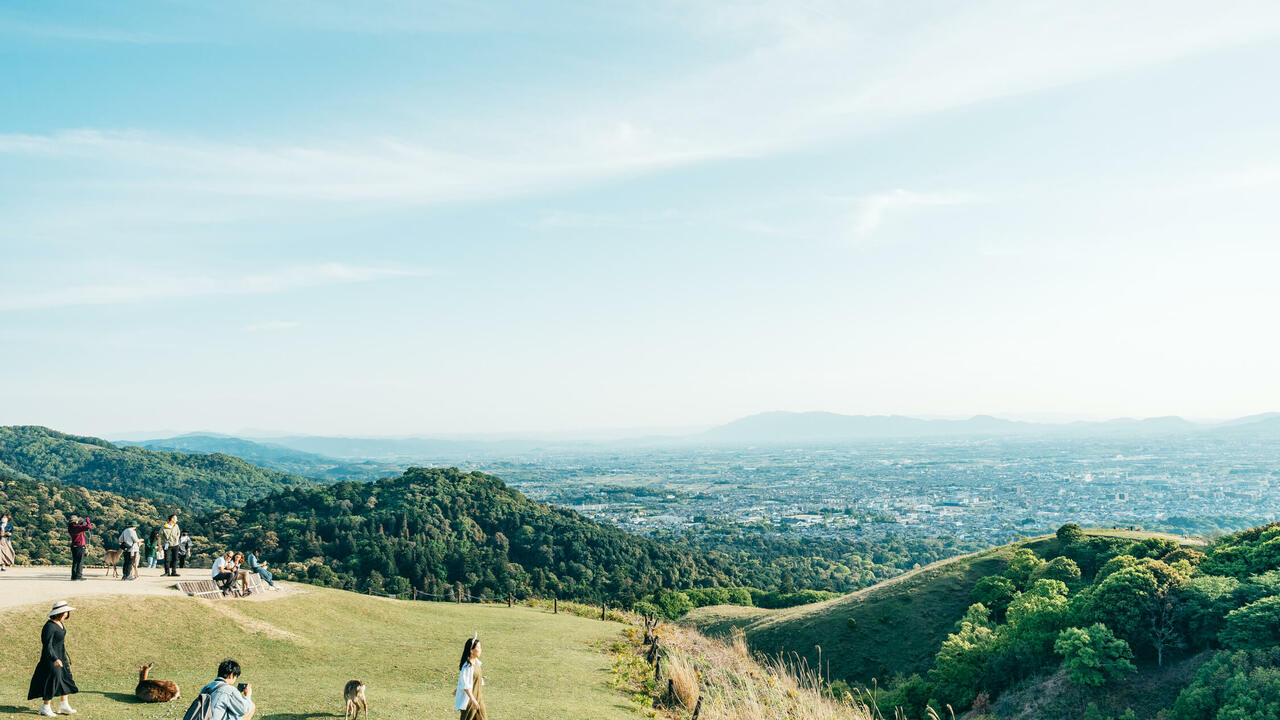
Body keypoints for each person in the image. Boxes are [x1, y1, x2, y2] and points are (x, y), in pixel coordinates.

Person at [28, 601, 80, 717]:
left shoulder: (60, 623)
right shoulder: (49, 626)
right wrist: (55, 658)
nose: (67, 613)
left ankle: (64, 705)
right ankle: (45, 707)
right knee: (52, 680)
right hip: (51, 658)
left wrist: (62, 657)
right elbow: (47, 645)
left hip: (61, 656)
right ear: (59, 613)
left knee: (65, 678)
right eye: (65, 611)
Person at [454, 635, 486, 720]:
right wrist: (473, 700)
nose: (480, 650)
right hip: (470, 701)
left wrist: (457, 689)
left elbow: (465, 680)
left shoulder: (477, 663)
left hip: (478, 698)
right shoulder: (467, 666)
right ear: (471, 651)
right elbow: (466, 684)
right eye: (478, 647)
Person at [66, 516, 92, 581]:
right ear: (75, 521)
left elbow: (79, 528)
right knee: (80, 561)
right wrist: (88, 520)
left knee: (75, 562)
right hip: (79, 546)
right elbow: (88, 527)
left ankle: (74, 576)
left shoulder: (70, 527)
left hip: (73, 546)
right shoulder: (77, 527)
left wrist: (81, 524)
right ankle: (78, 576)